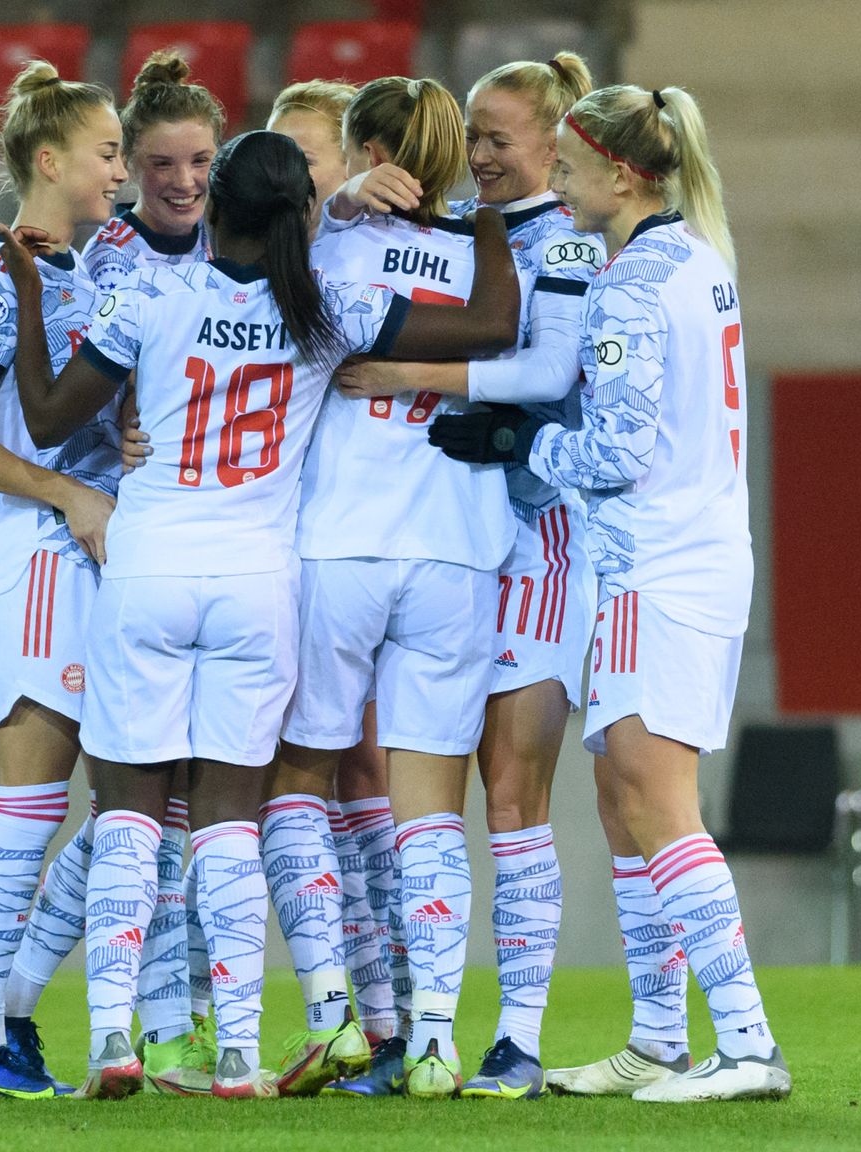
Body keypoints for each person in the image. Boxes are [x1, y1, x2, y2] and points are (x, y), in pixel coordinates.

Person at [1, 127, 519, 1100]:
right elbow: (491, 325)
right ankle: (239, 1053)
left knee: (127, 816)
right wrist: (483, 220)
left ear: (220, 204)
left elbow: (42, 415)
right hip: (257, 586)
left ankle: (111, 1039)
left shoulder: (151, 294)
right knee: (231, 825)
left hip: (148, 570)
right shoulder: (327, 312)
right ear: (302, 217)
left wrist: (32, 299)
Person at [427, 83, 790, 1103]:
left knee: (655, 799)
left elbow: (616, 448)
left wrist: (519, 439)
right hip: (701, 549)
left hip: (652, 562)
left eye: (576, 162)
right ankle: (658, 1038)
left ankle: (748, 1043)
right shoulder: (698, 259)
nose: (563, 178)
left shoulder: (630, 284)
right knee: (618, 798)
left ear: (619, 174)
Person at [327, 53, 603, 1101]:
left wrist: (409, 373)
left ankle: (517, 1039)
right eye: (472, 138)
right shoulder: (435, 235)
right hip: (451, 542)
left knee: (514, 794)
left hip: (535, 544)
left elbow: (548, 376)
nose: (479, 158)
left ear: (554, 141)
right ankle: (411, 1027)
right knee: (412, 794)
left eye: (498, 139)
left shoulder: (569, 246)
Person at [258, 75, 515, 1100]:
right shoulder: (481, 258)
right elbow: (499, 332)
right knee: (428, 813)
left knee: (296, 780)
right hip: (454, 553)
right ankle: (439, 1041)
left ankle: (334, 1014)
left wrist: (336, 204)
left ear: (367, 147)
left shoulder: (324, 249)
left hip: (340, 544)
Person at [2, 48, 224, 1097]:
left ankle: (33, 994)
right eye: (160, 163)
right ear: (129, 167)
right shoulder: (108, 263)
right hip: (119, 547)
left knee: (159, 810)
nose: (183, 181)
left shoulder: (242, 248)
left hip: (218, 552)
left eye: (200, 162)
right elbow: (62, 405)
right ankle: (148, 1023)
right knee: (135, 800)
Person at [0, 59, 126, 1099]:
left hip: (95, 560)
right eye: (106, 153)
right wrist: (65, 493)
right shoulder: (3, 275)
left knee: (135, 803)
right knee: (32, 804)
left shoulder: (85, 266)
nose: (120, 173)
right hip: (42, 559)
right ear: (49, 161)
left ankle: (8, 1010)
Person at [264, 76, 405, 1076]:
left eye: (307, 160)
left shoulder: (347, 266)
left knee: (330, 781)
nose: (292, 179)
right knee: (345, 781)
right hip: (289, 550)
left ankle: (368, 1011)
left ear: (353, 167)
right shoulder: (265, 270)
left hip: (333, 552)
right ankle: (384, 1015)